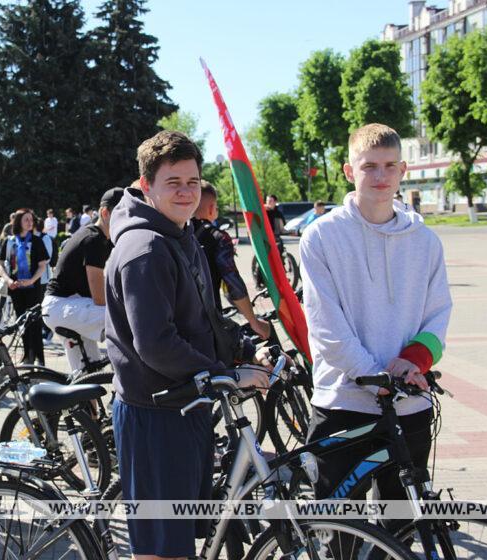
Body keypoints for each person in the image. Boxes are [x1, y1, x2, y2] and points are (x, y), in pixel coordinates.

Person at [106, 130, 272, 559]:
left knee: (176, 543)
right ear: (147, 185)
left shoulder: (181, 234)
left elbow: (203, 319)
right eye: (173, 183)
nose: (186, 192)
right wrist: (228, 375)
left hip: (185, 406)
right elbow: (156, 344)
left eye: (193, 182)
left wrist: (246, 346)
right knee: (161, 550)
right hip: (156, 415)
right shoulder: (145, 248)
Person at [299, 124, 452, 509]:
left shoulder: (426, 241)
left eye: (389, 166)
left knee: (400, 528)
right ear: (350, 172)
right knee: (339, 532)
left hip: (409, 405)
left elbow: (438, 316)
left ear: (403, 171)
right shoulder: (320, 237)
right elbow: (325, 328)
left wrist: (413, 362)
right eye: (369, 166)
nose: (380, 177)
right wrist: (376, 377)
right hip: (342, 402)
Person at [42, 188, 123, 372]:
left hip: (65, 306)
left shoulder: (102, 239)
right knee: (128, 319)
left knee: (88, 376)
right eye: (122, 214)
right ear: (105, 213)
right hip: (63, 305)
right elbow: (100, 299)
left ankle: (84, 400)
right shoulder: (94, 239)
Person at [192, 183, 270, 340]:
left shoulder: (177, 232)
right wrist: (254, 321)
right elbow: (232, 284)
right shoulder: (218, 238)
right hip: (208, 328)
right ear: (212, 207)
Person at [0, 208, 49, 365]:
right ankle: (27, 356)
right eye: (26, 219)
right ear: (18, 221)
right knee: (22, 324)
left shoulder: (37, 241)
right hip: (15, 289)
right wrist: (7, 280)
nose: (30, 222)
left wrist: (32, 280)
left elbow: (42, 266)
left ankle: (40, 360)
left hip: (33, 288)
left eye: (31, 220)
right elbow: (0, 264)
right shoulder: (9, 241)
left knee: (35, 323)